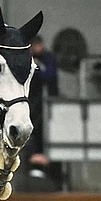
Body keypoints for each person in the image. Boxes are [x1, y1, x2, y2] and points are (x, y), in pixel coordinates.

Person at [25, 35, 60, 185]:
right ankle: (33, 159)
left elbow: (49, 76)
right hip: (32, 103)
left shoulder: (48, 58)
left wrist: (39, 67)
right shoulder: (28, 58)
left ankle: (47, 163)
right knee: (33, 132)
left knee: (45, 133)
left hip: (47, 105)